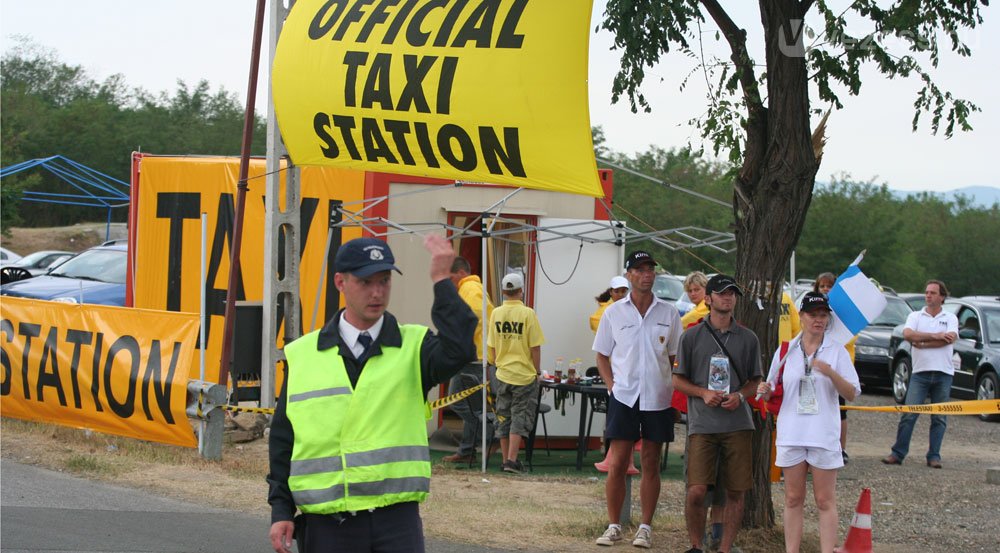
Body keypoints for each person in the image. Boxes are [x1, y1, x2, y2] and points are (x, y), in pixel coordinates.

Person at [266, 235, 477, 553]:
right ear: (340, 282)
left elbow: (461, 347)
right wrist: (281, 510)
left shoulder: (414, 348)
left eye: (384, 281)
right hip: (327, 524)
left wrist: (441, 280)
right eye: (365, 282)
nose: (377, 292)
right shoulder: (303, 354)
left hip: (396, 521)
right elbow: (284, 440)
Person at [757, 292, 861, 553]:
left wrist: (829, 372)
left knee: (824, 499)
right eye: (813, 315)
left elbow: (851, 392)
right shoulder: (786, 350)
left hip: (823, 433)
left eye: (823, 315)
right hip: (792, 432)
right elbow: (772, 387)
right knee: (793, 498)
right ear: (801, 317)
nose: (818, 320)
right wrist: (765, 390)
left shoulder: (836, 351)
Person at [593, 250, 682, 549]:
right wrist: (611, 386)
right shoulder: (614, 312)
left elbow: (675, 358)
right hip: (624, 396)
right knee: (617, 462)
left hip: (658, 397)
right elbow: (602, 355)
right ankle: (614, 525)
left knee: (651, 462)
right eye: (641, 269)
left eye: (651, 269)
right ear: (629, 274)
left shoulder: (669, 313)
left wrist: (670, 387)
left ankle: (645, 527)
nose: (647, 274)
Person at [673, 274, 762, 553]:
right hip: (702, 424)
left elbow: (755, 381)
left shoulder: (748, 338)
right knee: (697, 489)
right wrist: (703, 393)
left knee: (736, 490)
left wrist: (739, 396)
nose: (728, 298)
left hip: (737, 423)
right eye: (722, 293)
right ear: (708, 299)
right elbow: (677, 379)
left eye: (732, 293)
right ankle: (696, 546)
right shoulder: (691, 336)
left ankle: (724, 548)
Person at [882, 279, 958, 469]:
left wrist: (923, 342)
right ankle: (897, 453)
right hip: (920, 372)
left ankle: (934, 456)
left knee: (939, 417)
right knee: (909, 414)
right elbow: (908, 335)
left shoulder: (950, 318)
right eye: (926, 292)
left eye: (933, 292)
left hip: (943, 373)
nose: (928, 295)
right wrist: (936, 336)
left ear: (942, 297)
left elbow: (949, 340)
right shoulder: (916, 316)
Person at [488, 273, 545, 474]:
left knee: (503, 416)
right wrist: (537, 371)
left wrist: (497, 365)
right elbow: (535, 347)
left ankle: (506, 460)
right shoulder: (528, 313)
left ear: (504, 291)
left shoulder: (496, 313)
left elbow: (492, 346)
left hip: (502, 374)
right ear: (521, 291)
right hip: (524, 375)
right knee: (519, 415)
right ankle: (512, 460)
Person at [442, 256, 497, 464]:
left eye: (451, 277)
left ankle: (488, 433)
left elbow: (475, 317)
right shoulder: (473, 288)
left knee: (458, 400)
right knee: (470, 403)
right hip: (476, 355)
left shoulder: (470, 289)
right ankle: (468, 449)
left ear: (461, 273)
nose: (450, 282)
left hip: (472, 356)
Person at [812, 272, 855, 463]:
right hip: (818, 367)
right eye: (822, 286)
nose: (826, 289)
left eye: (829, 286)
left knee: (840, 410)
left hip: (839, 367)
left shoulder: (842, 312)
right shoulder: (812, 310)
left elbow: (851, 336)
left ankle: (841, 448)